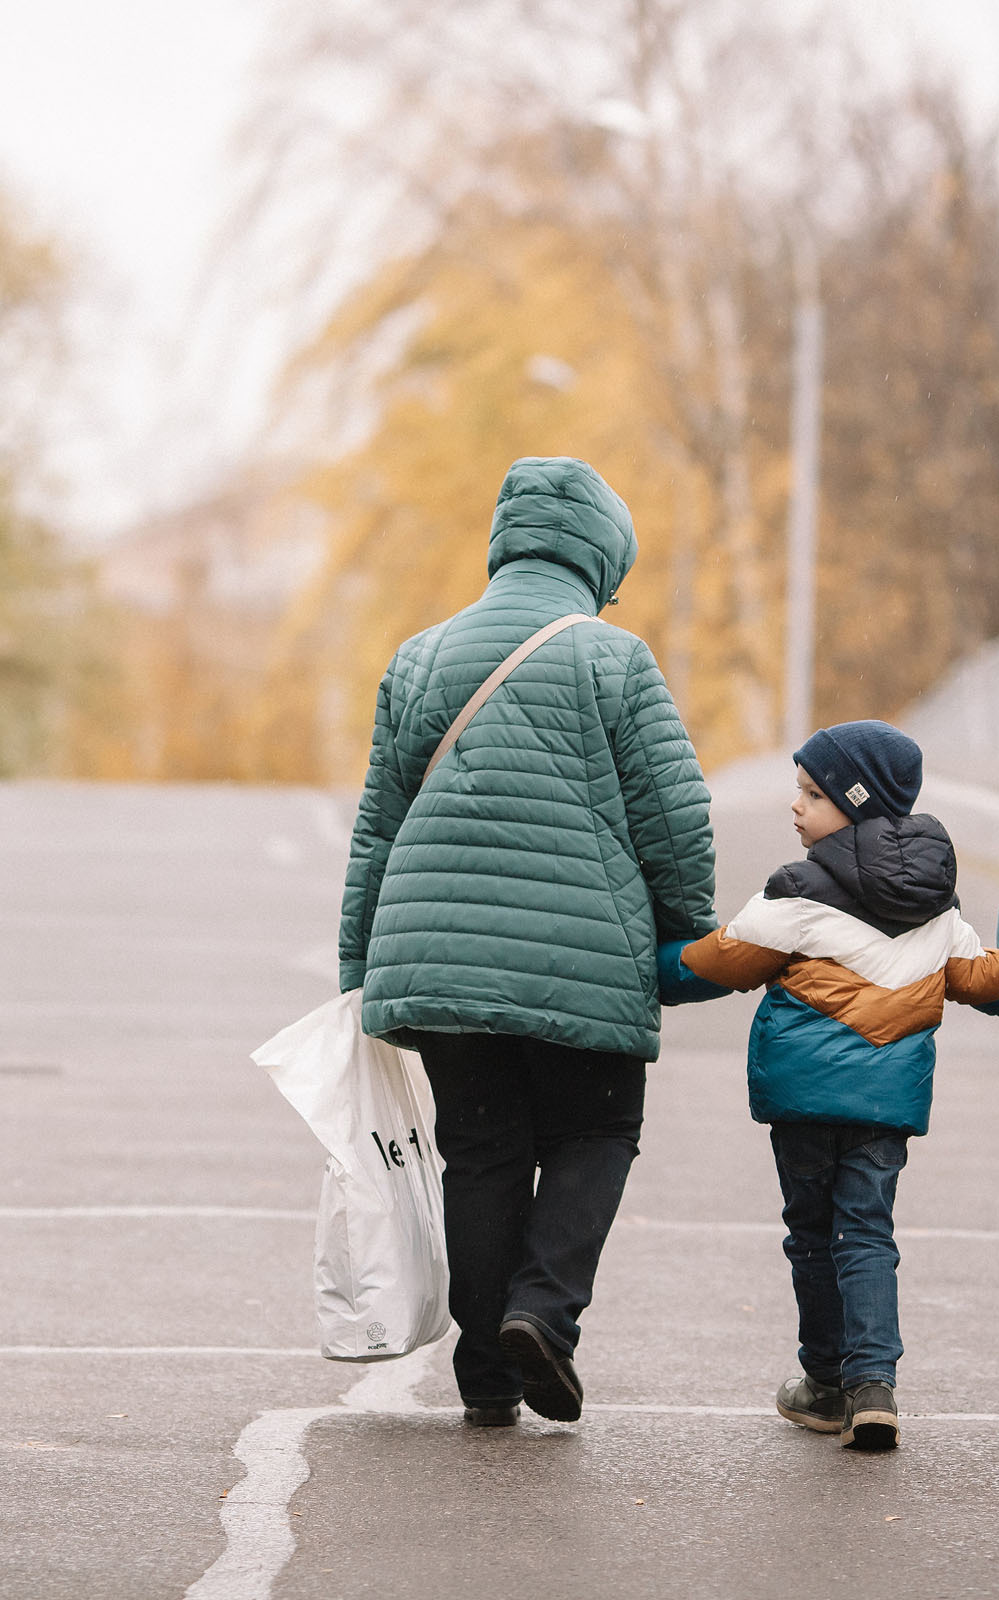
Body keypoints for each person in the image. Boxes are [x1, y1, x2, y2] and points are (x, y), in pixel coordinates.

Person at [340, 456, 716, 1427]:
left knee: (483, 1153)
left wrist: (359, 972)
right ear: (602, 556)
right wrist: (688, 938)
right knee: (597, 1128)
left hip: (439, 958)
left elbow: (377, 826)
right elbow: (674, 820)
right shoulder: (612, 659)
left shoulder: (421, 655)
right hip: (582, 957)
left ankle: (487, 1374)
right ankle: (543, 1311)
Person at [662, 721, 999, 1451]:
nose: (796, 807)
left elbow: (714, 963)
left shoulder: (796, 892)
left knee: (812, 1236)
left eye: (812, 793)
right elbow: (991, 980)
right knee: (867, 1232)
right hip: (883, 1108)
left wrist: (650, 962)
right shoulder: (939, 905)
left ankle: (826, 1382)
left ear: (856, 801)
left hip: (804, 1104)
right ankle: (875, 1386)